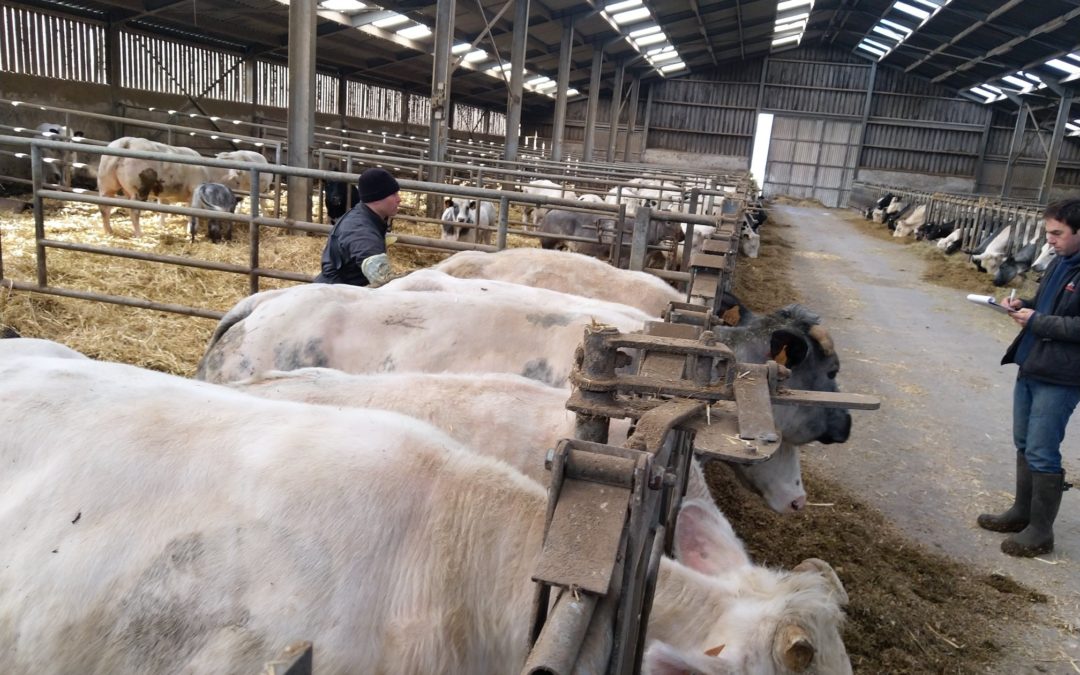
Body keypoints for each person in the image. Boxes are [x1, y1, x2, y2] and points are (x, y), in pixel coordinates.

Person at [978, 198, 1080, 557]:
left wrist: (1037, 321)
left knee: (1041, 449)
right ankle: (1022, 512)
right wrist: (1023, 304)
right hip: (1033, 363)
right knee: (1024, 443)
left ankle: (1040, 531)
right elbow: (1044, 301)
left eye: (1057, 233)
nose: (1049, 240)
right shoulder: (1060, 263)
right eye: (1047, 232)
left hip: (1062, 375)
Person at [315, 167, 401, 287]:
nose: (399, 199)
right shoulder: (362, 231)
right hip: (339, 297)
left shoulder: (363, 215)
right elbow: (383, 281)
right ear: (377, 199)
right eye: (393, 194)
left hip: (340, 289)